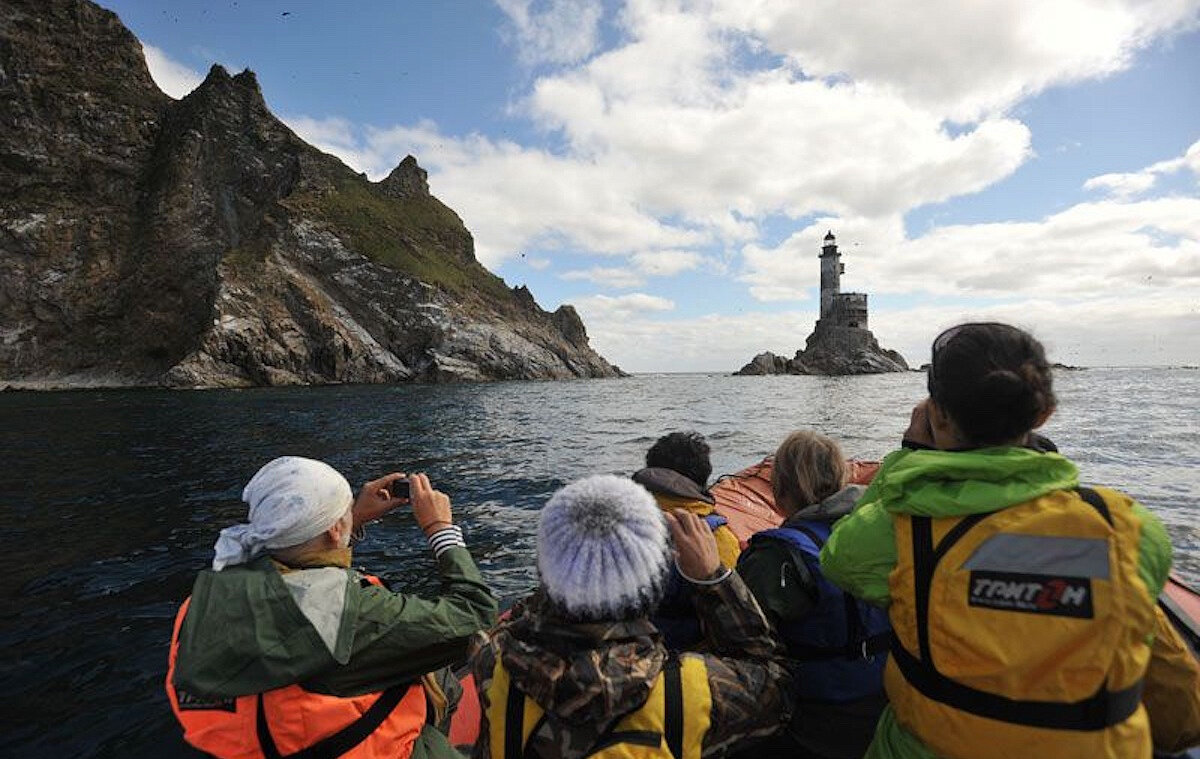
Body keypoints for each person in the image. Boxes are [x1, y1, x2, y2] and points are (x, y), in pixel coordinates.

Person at [819, 322, 1173, 759]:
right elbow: (1159, 658)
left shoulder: (902, 526)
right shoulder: (1129, 529)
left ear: (939, 413)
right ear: (1042, 415)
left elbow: (837, 557)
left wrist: (910, 453)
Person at [166, 456, 498, 759]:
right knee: (438, 675)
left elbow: (303, 578)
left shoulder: (202, 604)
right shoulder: (352, 618)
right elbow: (476, 616)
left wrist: (351, 519)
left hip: (275, 745)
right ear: (333, 530)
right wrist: (439, 529)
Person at [469, 474, 792, 758]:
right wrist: (713, 579)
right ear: (652, 582)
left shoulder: (491, 660)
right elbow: (773, 676)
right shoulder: (699, 689)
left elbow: (522, 619)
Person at [736, 430, 890, 759]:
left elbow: (742, 637)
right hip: (887, 702)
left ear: (780, 489)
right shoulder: (883, 529)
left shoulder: (776, 554)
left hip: (815, 713)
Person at [633, 431, 740, 649]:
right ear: (703, 479)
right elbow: (736, 613)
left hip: (619, 656)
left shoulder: (615, 525)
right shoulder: (718, 538)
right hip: (691, 660)